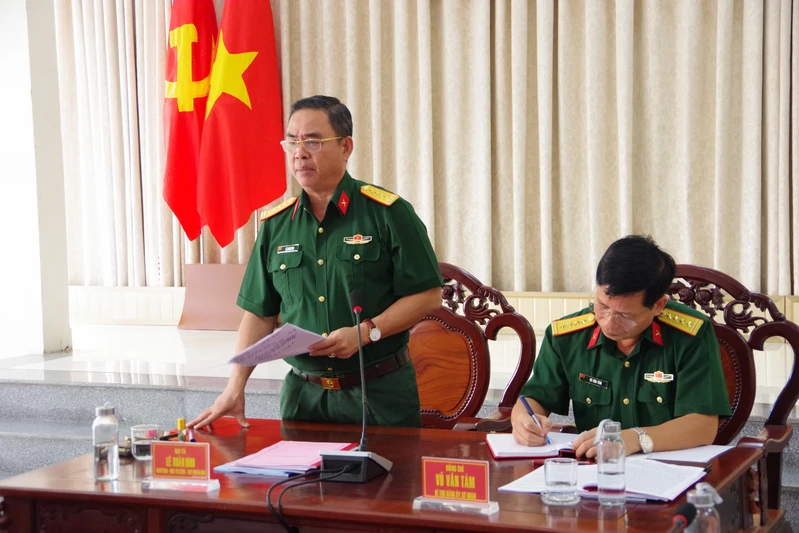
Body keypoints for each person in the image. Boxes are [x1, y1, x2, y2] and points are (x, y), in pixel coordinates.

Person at [189, 95, 443, 429]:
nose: (299, 153)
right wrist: (235, 387)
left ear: (345, 146)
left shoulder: (388, 213)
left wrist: (365, 332)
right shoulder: (277, 225)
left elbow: (428, 296)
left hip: (379, 393)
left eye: (312, 141)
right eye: (292, 142)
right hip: (303, 397)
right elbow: (260, 313)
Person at [511, 235, 731, 458]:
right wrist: (523, 420)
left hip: (667, 464)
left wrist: (637, 438)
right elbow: (535, 398)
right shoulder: (567, 337)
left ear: (658, 305)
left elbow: (703, 425)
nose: (609, 322)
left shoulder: (689, 335)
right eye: (602, 306)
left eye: (625, 315)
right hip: (593, 466)